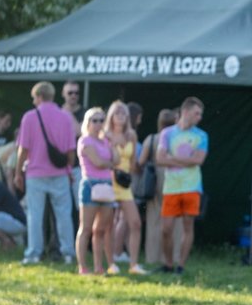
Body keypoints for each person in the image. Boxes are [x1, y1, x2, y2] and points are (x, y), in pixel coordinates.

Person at [14, 81, 78, 265]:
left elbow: (23, 150)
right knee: (63, 215)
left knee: (35, 215)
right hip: (60, 173)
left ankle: (34, 253)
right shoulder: (65, 117)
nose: (33, 102)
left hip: (35, 173)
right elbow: (70, 151)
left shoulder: (29, 117)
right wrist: (68, 170)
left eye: (34, 98)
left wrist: (18, 173)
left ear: (40, 96)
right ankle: (68, 253)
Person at [156, 97, 208, 275]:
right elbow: (160, 158)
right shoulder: (167, 133)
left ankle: (181, 265)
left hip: (192, 187)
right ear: (185, 112)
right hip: (171, 188)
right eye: (196, 113)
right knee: (166, 229)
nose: (199, 117)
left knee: (188, 226)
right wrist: (187, 160)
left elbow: (198, 160)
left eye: (200, 114)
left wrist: (172, 158)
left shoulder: (201, 136)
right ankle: (168, 263)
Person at [104, 100, 145, 275]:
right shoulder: (105, 135)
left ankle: (133, 264)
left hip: (125, 184)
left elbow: (134, 162)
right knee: (108, 225)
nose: (120, 116)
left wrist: (130, 177)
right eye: (117, 113)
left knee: (135, 222)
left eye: (123, 113)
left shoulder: (131, 135)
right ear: (111, 116)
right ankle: (111, 263)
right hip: (109, 181)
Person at [76, 107, 117, 276]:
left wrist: (112, 143)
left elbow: (117, 159)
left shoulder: (105, 141)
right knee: (86, 228)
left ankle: (98, 267)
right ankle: (83, 267)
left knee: (100, 230)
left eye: (101, 120)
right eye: (95, 120)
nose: (99, 124)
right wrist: (110, 164)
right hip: (91, 185)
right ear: (87, 123)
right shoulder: (84, 141)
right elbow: (98, 162)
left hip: (106, 186)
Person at [139, 108, 178, 265]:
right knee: (175, 220)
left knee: (154, 219)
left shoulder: (151, 139)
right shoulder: (177, 139)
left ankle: (152, 256)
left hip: (155, 180)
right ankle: (173, 256)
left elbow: (141, 161)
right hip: (174, 179)